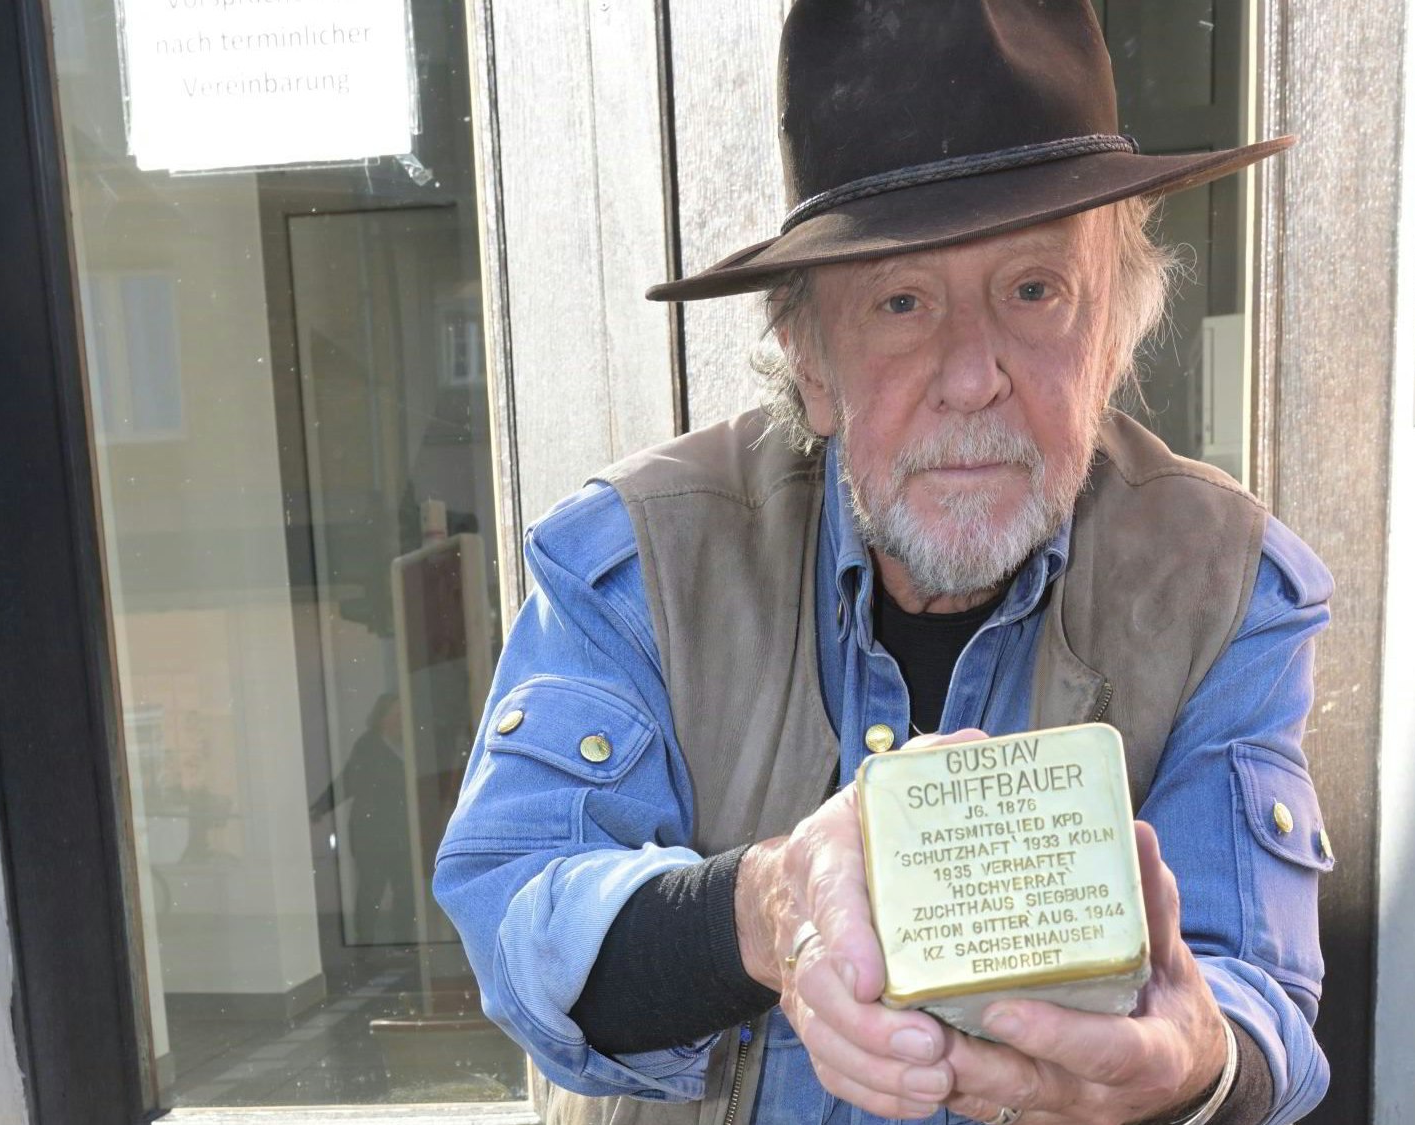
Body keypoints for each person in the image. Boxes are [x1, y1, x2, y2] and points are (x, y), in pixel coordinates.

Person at [434, 2, 1335, 1123]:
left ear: (1109, 338)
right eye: (901, 303)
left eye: (1033, 291)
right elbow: (520, 910)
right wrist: (764, 907)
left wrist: (1197, 1069)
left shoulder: (1225, 588)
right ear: (810, 364)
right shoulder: (635, 560)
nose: (972, 378)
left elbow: (1254, 999)